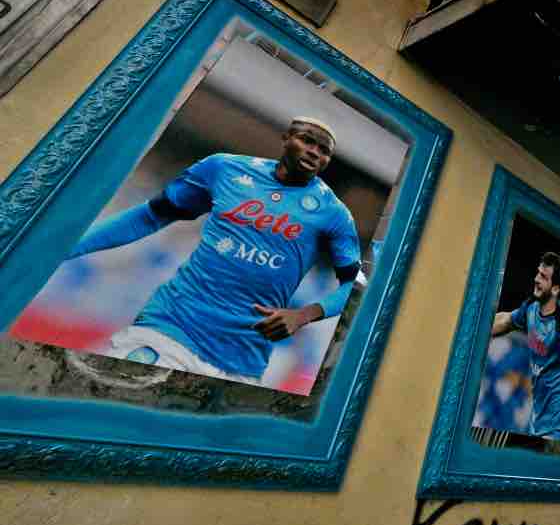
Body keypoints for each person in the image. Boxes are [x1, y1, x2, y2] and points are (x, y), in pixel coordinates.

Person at [66, 118, 363, 384]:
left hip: (243, 360)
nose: (314, 152)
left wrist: (303, 315)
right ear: (286, 137)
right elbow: (150, 215)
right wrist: (65, 248)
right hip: (172, 326)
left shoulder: (333, 214)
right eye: (307, 140)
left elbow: (354, 285)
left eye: (324, 150)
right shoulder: (224, 168)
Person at [491, 252, 560, 443]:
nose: (536, 279)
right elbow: (507, 320)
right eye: (538, 273)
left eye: (543, 277)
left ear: (555, 289)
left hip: (558, 417)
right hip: (538, 413)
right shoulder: (531, 307)